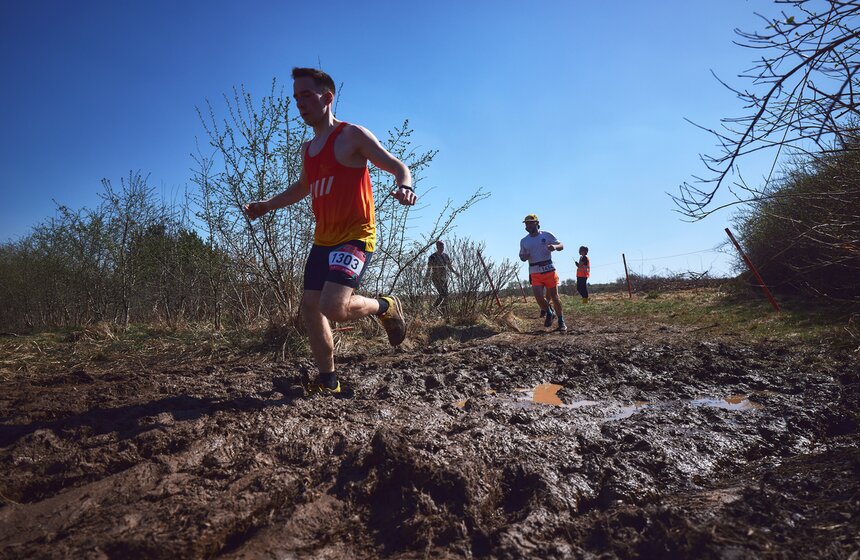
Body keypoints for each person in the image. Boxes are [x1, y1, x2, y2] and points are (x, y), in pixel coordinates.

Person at [244, 67, 417, 395]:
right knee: (311, 309)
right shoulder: (307, 150)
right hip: (323, 239)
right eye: (296, 98)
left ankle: (385, 306)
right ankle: (330, 383)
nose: (300, 104)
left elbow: (397, 166)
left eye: (306, 95)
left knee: (333, 307)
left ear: (327, 98)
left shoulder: (352, 135)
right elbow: (302, 188)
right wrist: (267, 205)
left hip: (356, 234)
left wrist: (404, 185)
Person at [518, 214, 567, 331]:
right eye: (526, 223)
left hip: (549, 269)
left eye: (530, 222)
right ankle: (550, 312)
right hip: (534, 271)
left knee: (555, 297)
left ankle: (561, 321)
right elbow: (521, 255)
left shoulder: (546, 235)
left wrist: (555, 247)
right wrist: (524, 257)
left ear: (536, 223)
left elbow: (561, 245)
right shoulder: (524, 241)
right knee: (539, 298)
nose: (528, 225)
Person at [425, 240, 458, 310]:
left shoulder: (446, 256)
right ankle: (433, 308)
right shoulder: (432, 257)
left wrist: (455, 272)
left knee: (446, 296)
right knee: (442, 294)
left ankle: (443, 311)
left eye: (442, 246)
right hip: (436, 278)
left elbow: (449, 266)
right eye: (440, 246)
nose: (442, 247)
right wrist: (426, 279)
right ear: (437, 247)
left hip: (444, 278)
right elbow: (429, 269)